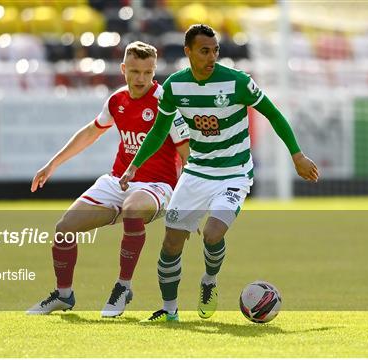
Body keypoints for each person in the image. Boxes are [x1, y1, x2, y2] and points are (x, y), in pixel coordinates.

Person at [119, 24, 319, 322]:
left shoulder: (237, 82)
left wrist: (297, 154)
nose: (212, 57)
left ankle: (210, 281)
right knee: (171, 243)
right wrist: (135, 164)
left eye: (215, 51)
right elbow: (160, 130)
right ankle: (170, 311)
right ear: (188, 52)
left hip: (234, 173)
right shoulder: (174, 87)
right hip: (196, 172)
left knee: (212, 235)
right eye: (204, 51)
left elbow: (273, 113)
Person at [26, 41, 190, 317]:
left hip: (157, 186)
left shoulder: (166, 104)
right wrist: (52, 164)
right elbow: (91, 132)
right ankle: (63, 295)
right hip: (118, 181)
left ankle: (123, 287)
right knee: (64, 228)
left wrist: (188, 199)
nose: (141, 79)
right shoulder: (117, 100)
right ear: (124, 69)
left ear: (154, 72)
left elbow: (187, 153)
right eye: (135, 71)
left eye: (147, 73)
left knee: (133, 210)